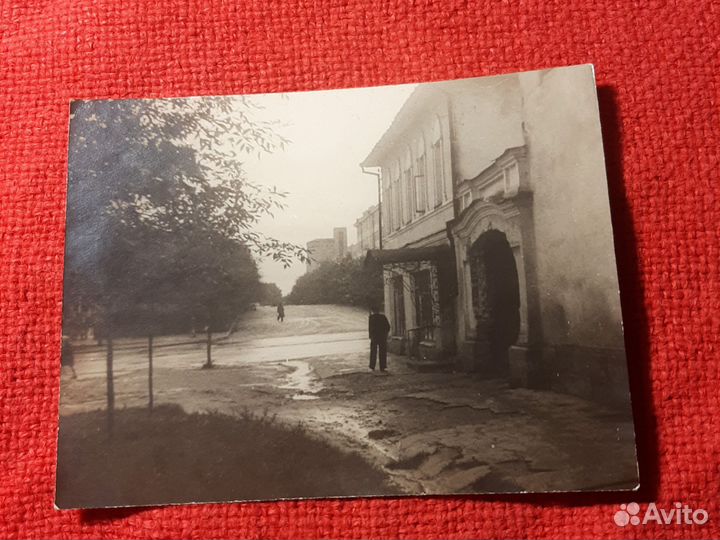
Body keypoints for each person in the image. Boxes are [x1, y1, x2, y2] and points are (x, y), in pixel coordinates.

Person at [368, 305, 391, 372]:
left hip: (374, 337)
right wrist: (385, 334)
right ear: (378, 311)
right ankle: (383, 367)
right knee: (382, 352)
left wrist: (370, 336)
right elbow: (388, 327)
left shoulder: (371, 318)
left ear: (373, 311)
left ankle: (372, 366)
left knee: (373, 352)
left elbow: (370, 328)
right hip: (382, 337)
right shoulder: (382, 317)